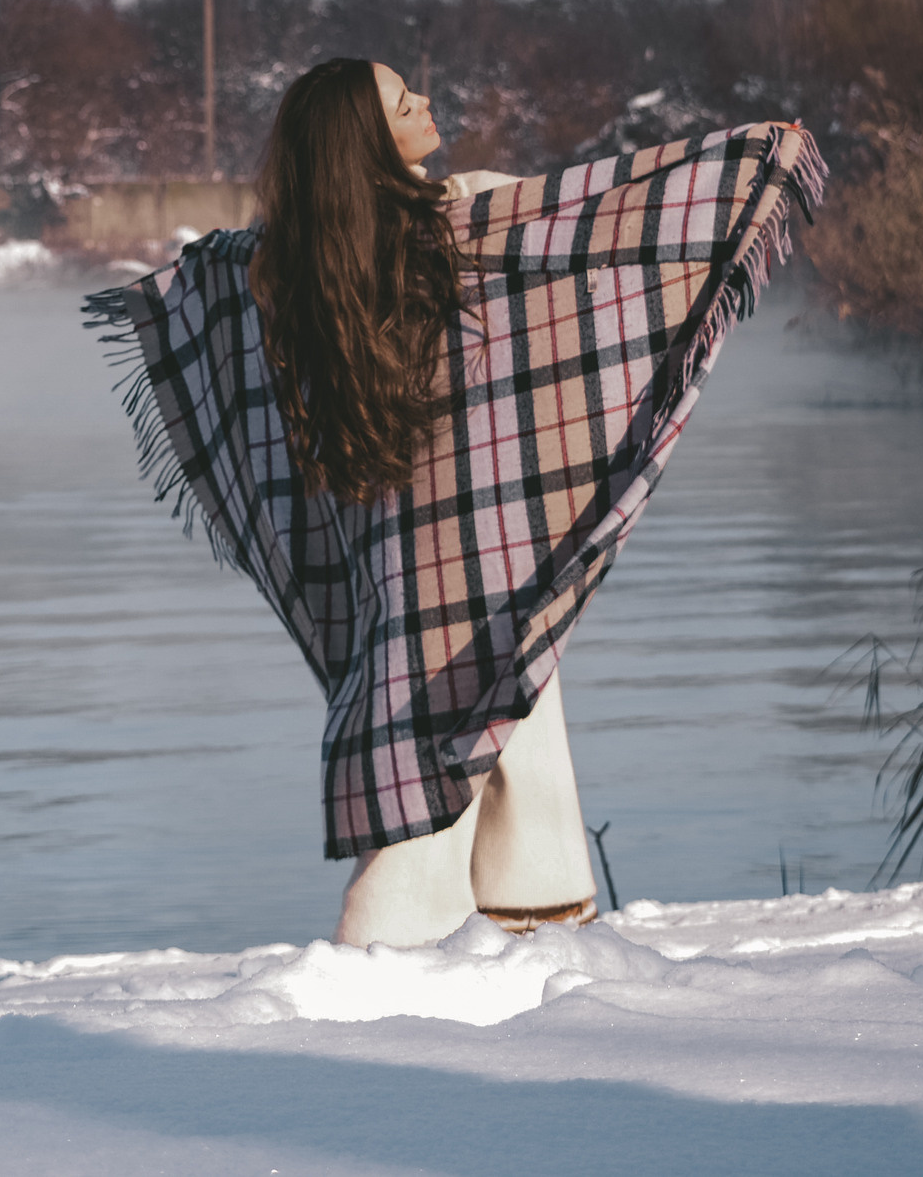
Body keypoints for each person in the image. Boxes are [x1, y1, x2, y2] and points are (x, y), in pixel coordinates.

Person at [86, 57, 823, 949]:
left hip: (383, 542)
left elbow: (212, 294)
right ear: (369, 137)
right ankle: (394, 943)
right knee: (473, 707)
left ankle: (524, 922)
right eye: (404, 102)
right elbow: (594, 221)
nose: (428, 103)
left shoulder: (293, 259)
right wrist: (743, 164)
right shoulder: (466, 212)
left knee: (475, 705)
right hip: (478, 523)